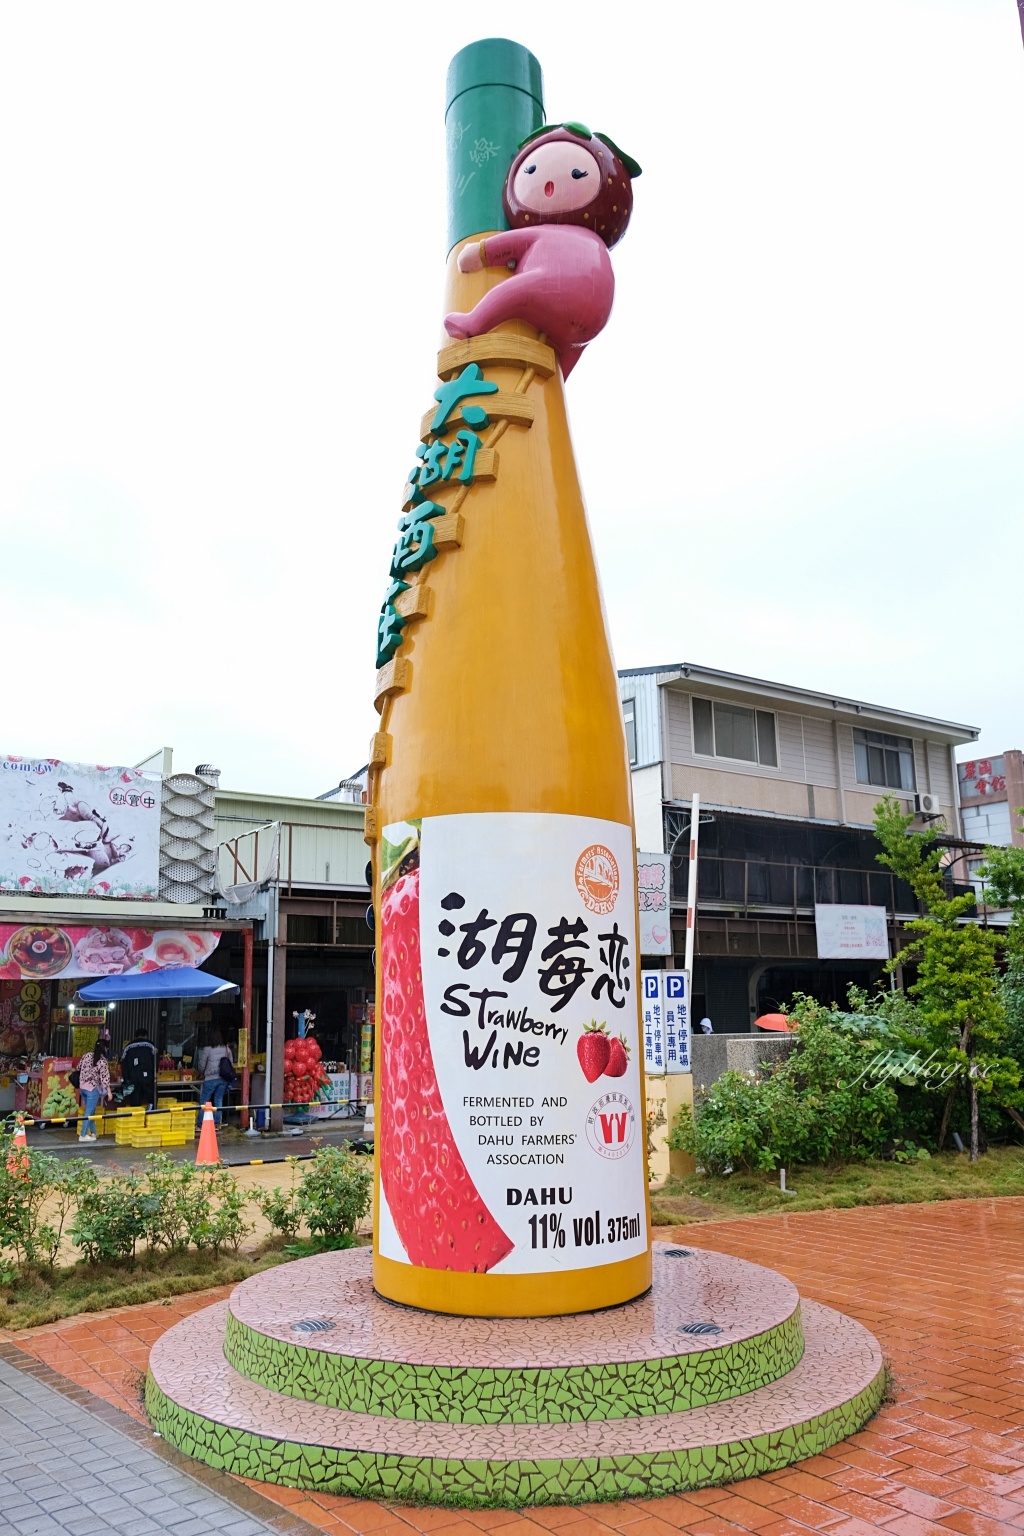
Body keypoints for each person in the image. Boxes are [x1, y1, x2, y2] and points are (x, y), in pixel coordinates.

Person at [197, 1028, 235, 1127]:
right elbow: (231, 1064)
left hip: (210, 1078)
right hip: (223, 1079)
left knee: (204, 1101)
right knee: (218, 1099)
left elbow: (201, 1065)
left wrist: (202, 1072)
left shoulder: (207, 1049)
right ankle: (217, 1123)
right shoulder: (227, 1049)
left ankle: (200, 1123)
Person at [78, 1037, 113, 1141]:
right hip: (92, 1089)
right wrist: (109, 1092)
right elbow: (105, 1078)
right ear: (105, 1049)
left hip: (82, 1087)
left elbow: (78, 1067)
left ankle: (93, 1133)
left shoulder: (86, 1055)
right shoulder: (102, 1061)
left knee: (91, 1111)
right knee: (88, 1112)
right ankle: (83, 1135)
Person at [120, 1028, 158, 1109]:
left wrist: (125, 1077)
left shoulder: (128, 1046)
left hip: (133, 1076)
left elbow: (123, 1062)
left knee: (135, 1097)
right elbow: (156, 1060)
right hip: (147, 1075)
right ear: (146, 1036)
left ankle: (136, 1114)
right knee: (150, 1096)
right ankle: (150, 1112)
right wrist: (155, 1072)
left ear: (135, 1036)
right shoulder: (151, 1045)